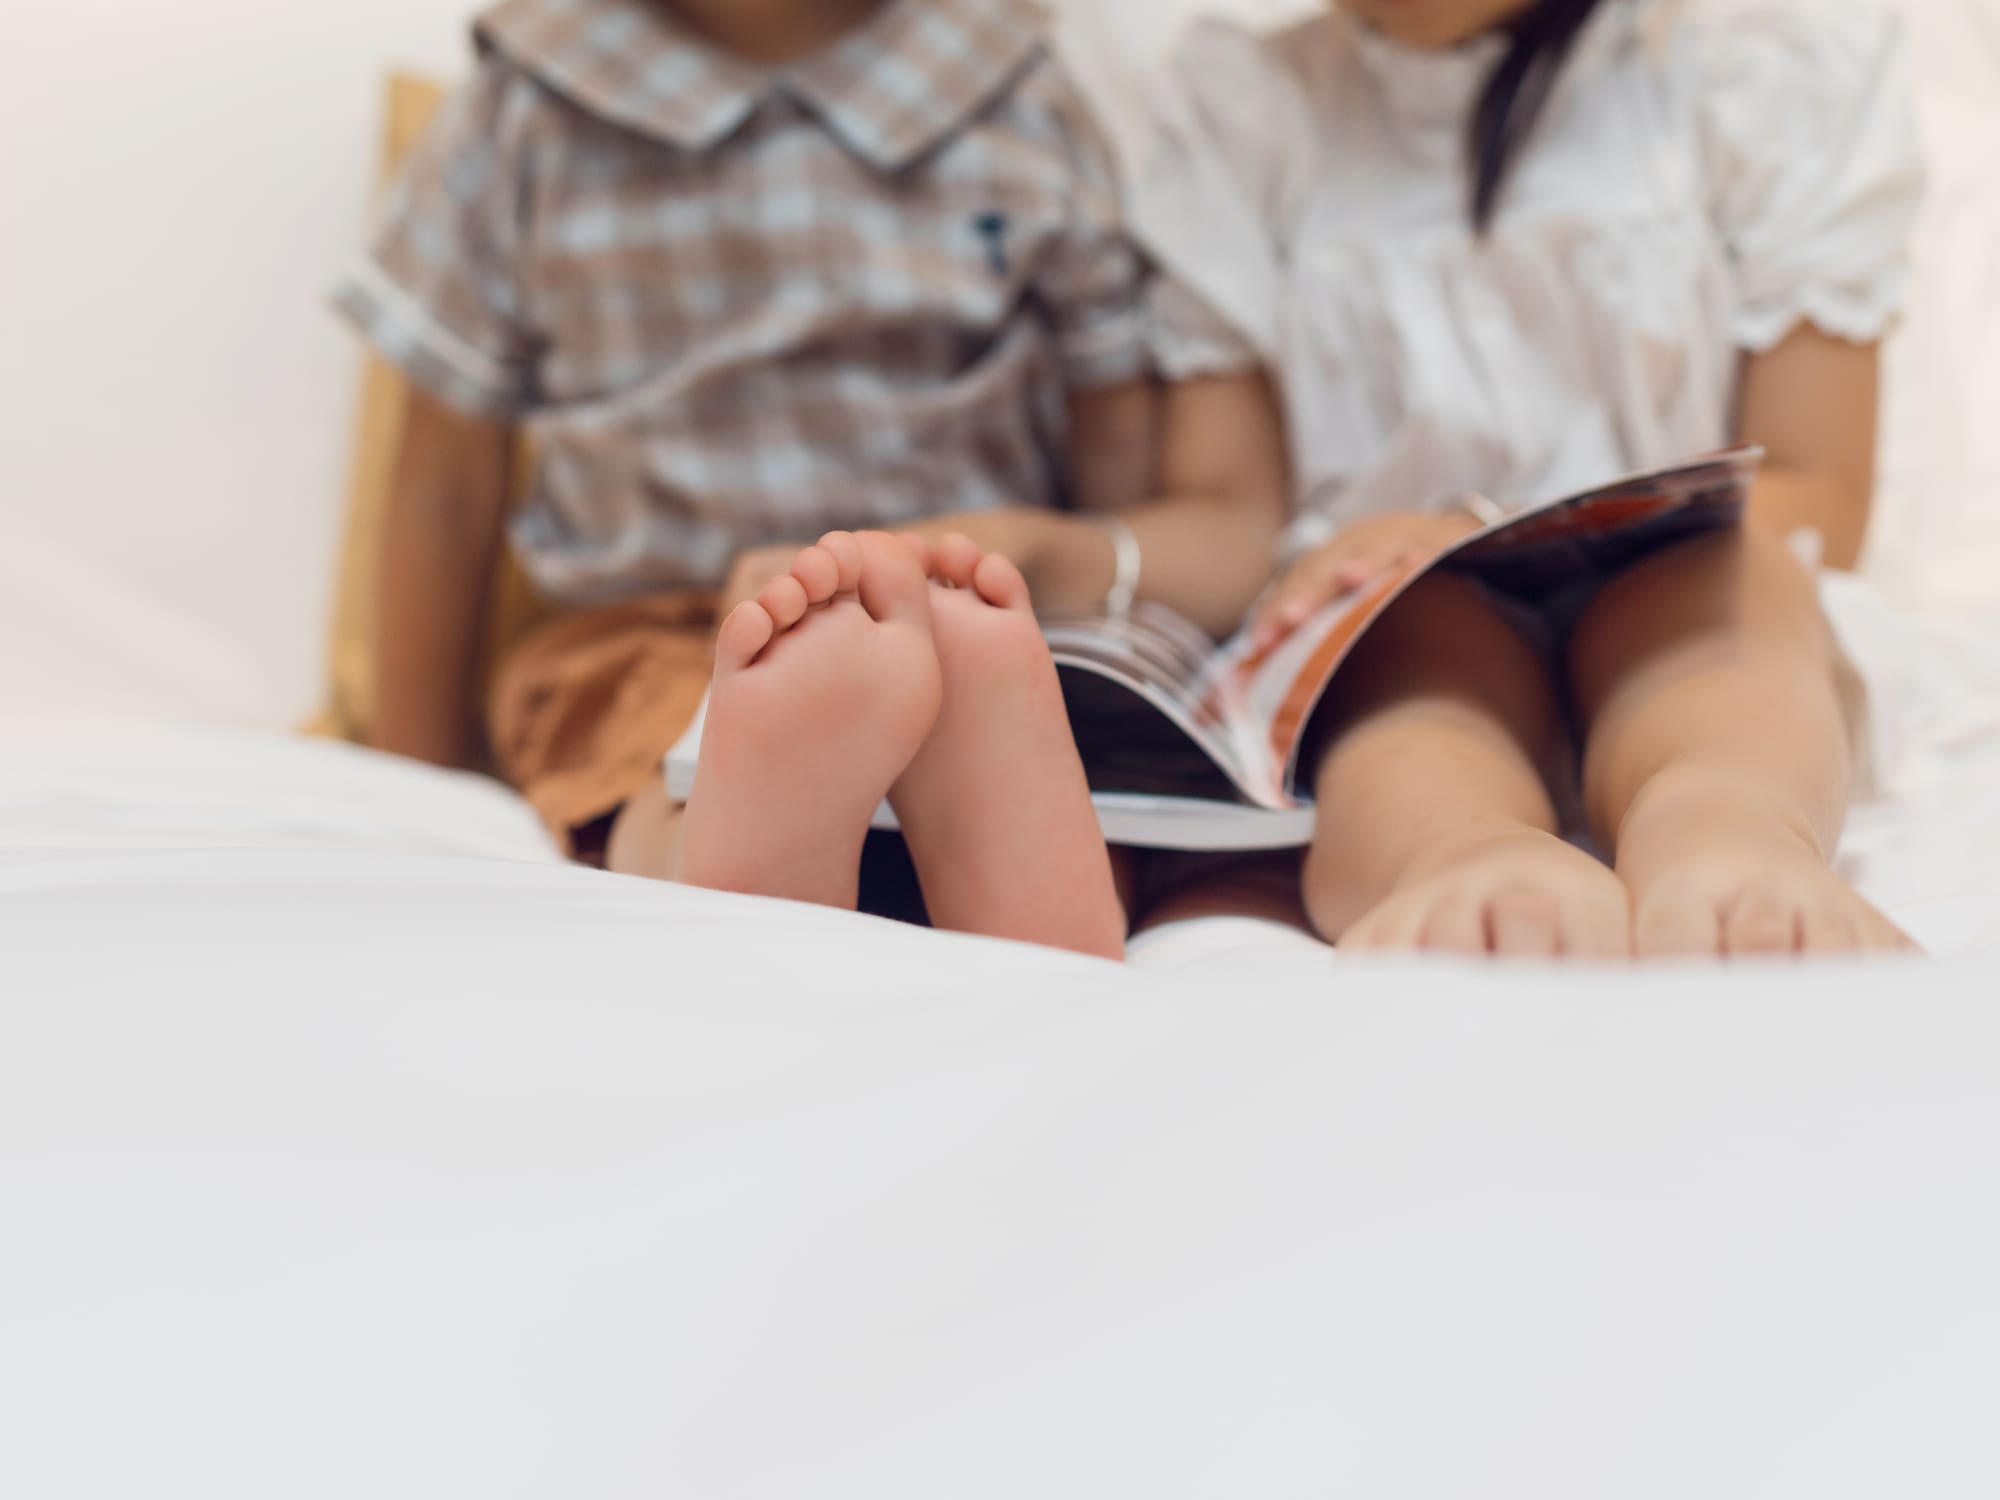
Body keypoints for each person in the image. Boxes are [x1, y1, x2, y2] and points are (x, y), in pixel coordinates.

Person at [336, 0, 1287, 958]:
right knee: (680, 756)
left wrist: (1079, 602)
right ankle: (897, 849)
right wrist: (414, 786)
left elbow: (1114, 454)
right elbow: (445, 493)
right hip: (682, 620)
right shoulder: (527, 103)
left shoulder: (1012, 87)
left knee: (693, 775)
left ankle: (755, 846)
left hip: (955, 611)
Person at [1131, 0, 1927, 957]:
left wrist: (1479, 522)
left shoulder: (1757, 69)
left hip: (1691, 571)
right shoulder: (1248, 106)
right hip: (1398, 604)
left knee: (1731, 589)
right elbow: (1231, 510)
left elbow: (1818, 494)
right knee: (1407, 662)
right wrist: (1069, 553)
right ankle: (1459, 852)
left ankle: (1730, 826)